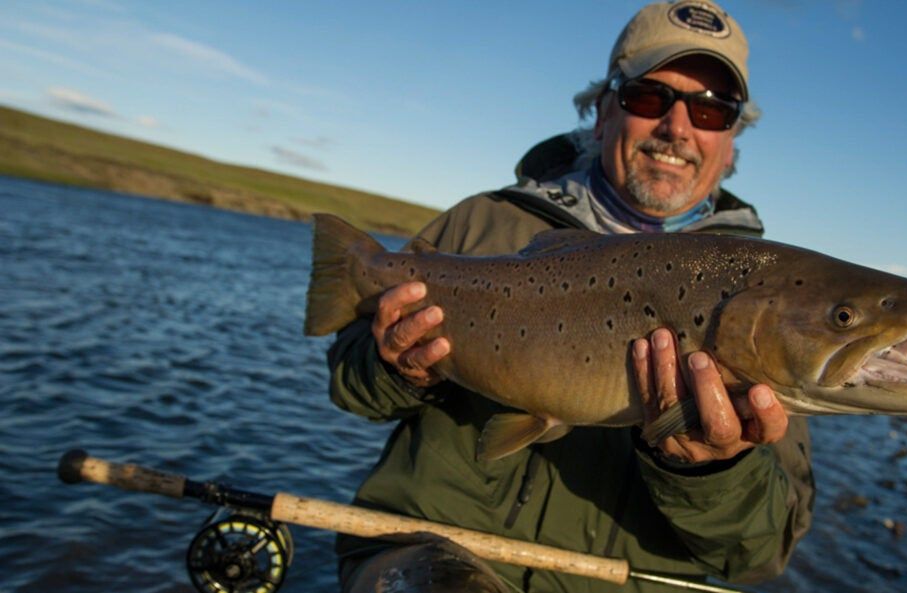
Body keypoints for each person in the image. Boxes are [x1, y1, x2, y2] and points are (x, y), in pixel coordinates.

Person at [325, 1, 815, 591]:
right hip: (428, 553)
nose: (677, 128)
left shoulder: (774, 297)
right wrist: (394, 368)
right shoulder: (480, 226)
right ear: (602, 108)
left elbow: (760, 553)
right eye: (649, 97)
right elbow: (350, 388)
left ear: (732, 141)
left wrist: (716, 470)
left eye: (712, 111)